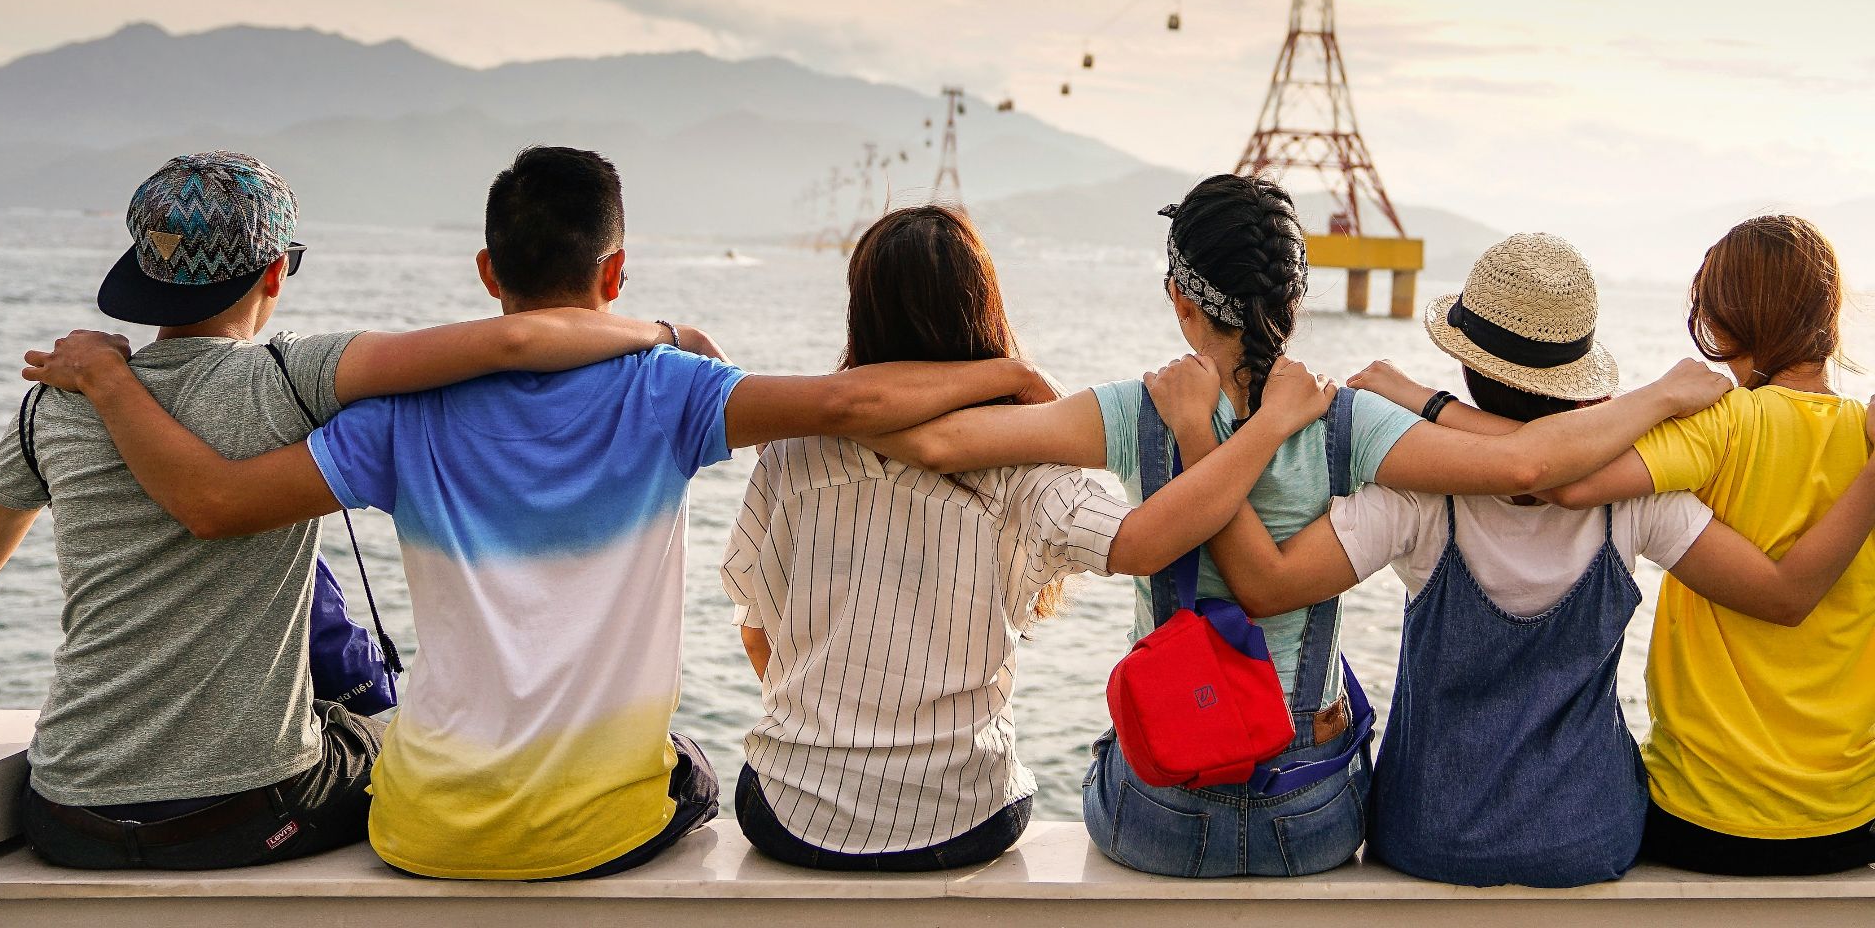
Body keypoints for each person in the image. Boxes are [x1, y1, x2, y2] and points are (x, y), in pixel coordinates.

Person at [20, 146, 1059, 882]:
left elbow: (219, 501)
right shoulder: (672, 391)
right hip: (599, 835)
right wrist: (1015, 373)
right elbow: (856, 403)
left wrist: (112, 387)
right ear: (614, 271)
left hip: (421, 831)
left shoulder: (401, 415)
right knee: (690, 764)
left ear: (486, 273)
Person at [859, 174, 1732, 878]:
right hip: (1308, 818)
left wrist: (1011, 370)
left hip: (1162, 814)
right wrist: (1659, 396)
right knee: (1339, 693)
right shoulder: (1350, 422)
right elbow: (1525, 466)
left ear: (1180, 299)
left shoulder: (1137, 409)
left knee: (1112, 741)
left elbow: (933, 440)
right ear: (1297, 297)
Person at [0, 151, 699, 871]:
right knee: (386, 739)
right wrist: (666, 336)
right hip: (244, 814)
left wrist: (109, 377)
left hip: (67, 815)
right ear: (277, 270)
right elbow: (514, 341)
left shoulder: (53, 404)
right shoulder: (293, 378)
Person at [1181, 232, 1875, 887]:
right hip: (1593, 837)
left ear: (1465, 364)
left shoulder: (1419, 496)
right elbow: (1779, 592)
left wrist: (1202, 439)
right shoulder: (1642, 502)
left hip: (1427, 834)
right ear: (1584, 377)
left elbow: (1265, 585)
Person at [721, 205, 1339, 872]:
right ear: (982, 309)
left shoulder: (791, 453)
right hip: (962, 816)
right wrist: (1267, 426)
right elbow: (1142, 541)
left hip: (791, 812)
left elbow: (759, 632)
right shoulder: (1024, 468)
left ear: (860, 312)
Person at [1466, 215, 1873, 876]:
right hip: (1851, 824)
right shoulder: (1867, 434)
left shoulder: (1723, 423)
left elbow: (1560, 481)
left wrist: (1413, 403)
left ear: (1724, 319)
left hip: (1704, 819)